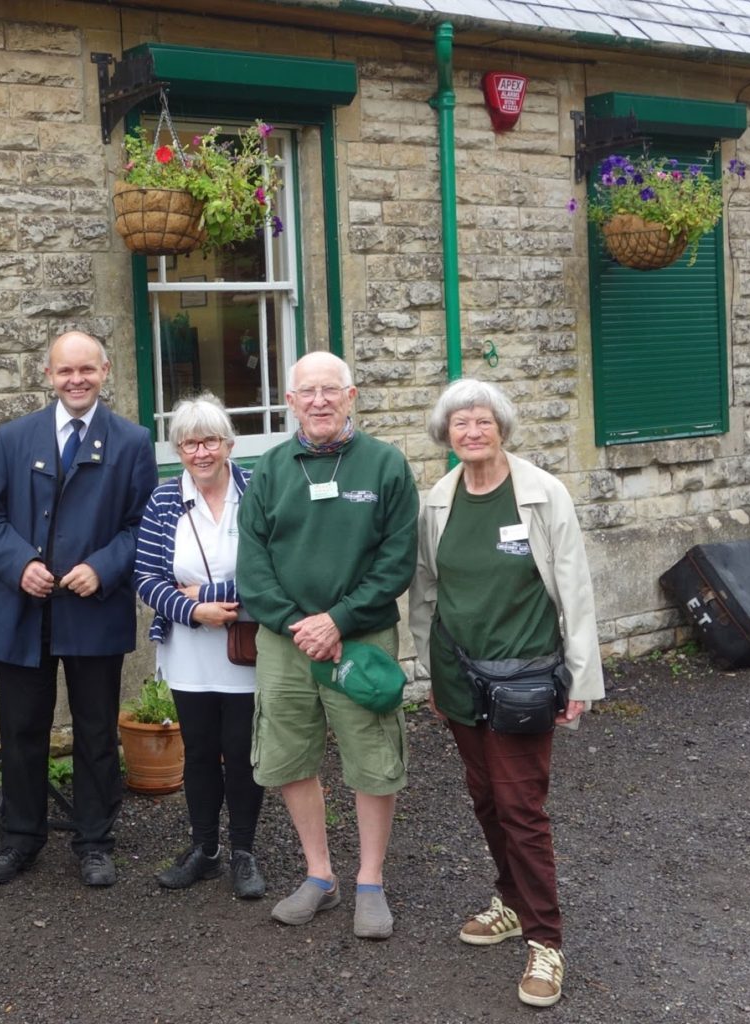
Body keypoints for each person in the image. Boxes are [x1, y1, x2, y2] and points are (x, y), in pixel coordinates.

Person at [409, 378, 604, 1007]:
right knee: (486, 798)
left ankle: (547, 941)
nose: (472, 432)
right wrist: (432, 673)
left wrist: (582, 676)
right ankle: (513, 902)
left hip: (524, 681)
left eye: (482, 422)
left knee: (522, 807)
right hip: (461, 678)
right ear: (446, 435)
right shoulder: (438, 500)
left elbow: (574, 591)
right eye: (460, 423)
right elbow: (426, 595)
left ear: (502, 428)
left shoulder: (543, 495)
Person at [236, 351, 418, 940]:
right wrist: (299, 624)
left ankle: (370, 880)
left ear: (351, 395)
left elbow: (396, 562)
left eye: (329, 390)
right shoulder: (269, 469)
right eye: (306, 391)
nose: (318, 401)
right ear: (289, 401)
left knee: (372, 761)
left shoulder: (386, 465)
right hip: (286, 643)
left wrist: (337, 620)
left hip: (360, 641)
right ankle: (319, 875)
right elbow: (253, 563)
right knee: (291, 757)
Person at [0, 330, 158, 887]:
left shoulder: (132, 441)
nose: (76, 380)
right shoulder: (12, 437)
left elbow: (141, 525)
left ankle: (95, 841)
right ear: (47, 376)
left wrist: (102, 566)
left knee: (96, 732)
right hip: (20, 611)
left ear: (106, 371)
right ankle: (21, 838)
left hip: (93, 610)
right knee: (21, 730)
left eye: (87, 370)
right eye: (64, 371)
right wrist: (18, 562)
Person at [133, 393, 266, 899]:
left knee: (243, 751)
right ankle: (205, 850)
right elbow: (145, 577)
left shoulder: (256, 492)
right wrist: (192, 610)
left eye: (209, 440)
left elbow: (271, 574)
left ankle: (244, 852)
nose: (200, 452)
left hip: (246, 647)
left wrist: (206, 596)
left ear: (229, 444)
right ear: (178, 450)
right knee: (200, 754)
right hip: (189, 649)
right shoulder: (164, 500)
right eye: (189, 443)